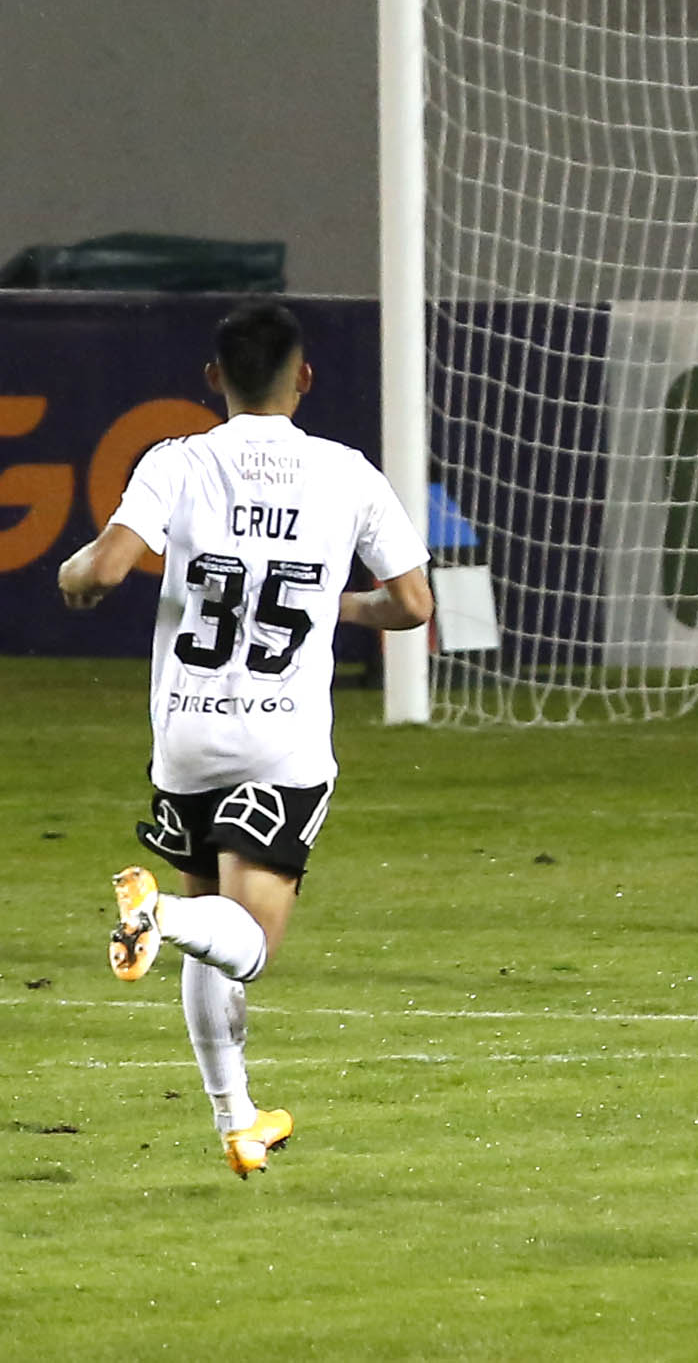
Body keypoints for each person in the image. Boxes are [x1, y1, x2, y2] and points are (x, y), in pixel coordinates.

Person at [57, 301, 435, 1177]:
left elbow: (105, 567)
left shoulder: (177, 460)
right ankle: (160, 913)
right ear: (304, 378)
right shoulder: (347, 473)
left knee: (214, 927)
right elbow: (413, 606)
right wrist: (333, 604)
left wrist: (75, 574)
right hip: (282, 744)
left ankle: (237, 1119)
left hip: (186, 736)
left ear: (212, 378)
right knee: (247, 940)